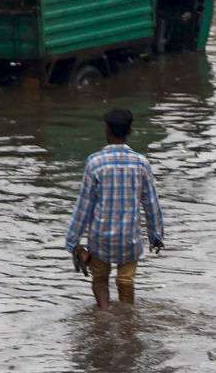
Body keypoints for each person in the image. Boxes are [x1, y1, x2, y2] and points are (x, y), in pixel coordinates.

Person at [64, 108, 165, 309]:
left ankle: (103, 314)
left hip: (101, 239)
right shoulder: (141, 163)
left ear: (107, 130)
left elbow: (84, 206)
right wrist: (156, 236)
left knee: (100, 278)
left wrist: (73, 242)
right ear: (130, 131)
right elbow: (151, 204)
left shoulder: (95, 162)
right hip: (130, 239)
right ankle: (127, 324)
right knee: (126, 281)